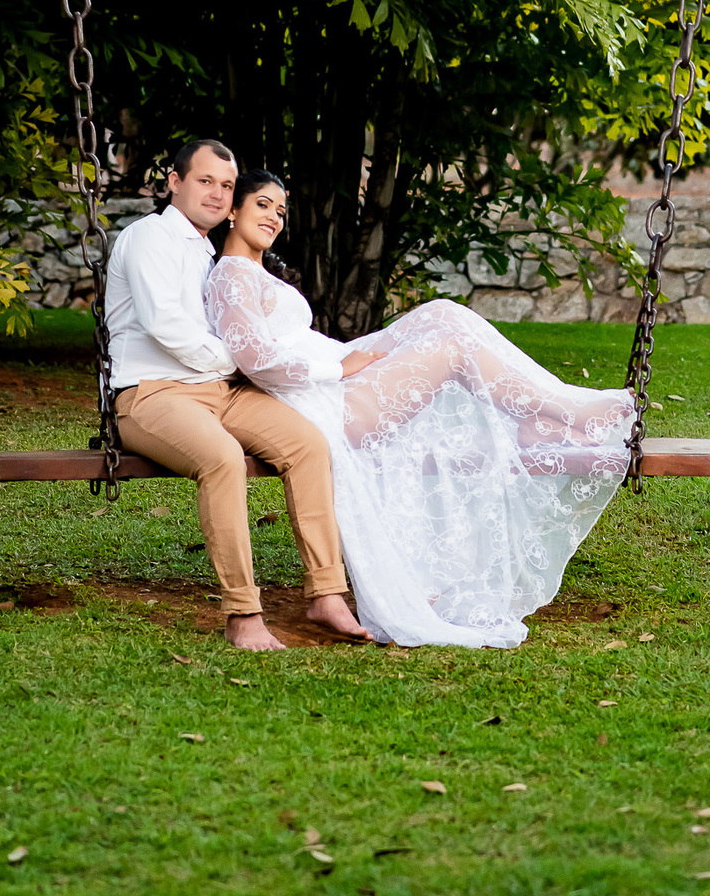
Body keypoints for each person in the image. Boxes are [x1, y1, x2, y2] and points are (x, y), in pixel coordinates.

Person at [205, 169, 637, 649]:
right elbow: (254, 358)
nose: (274, 217)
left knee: (443, 314)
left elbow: (299, 344)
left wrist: (351, 355)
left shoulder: (254, 274)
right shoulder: (231, 275)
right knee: (451, 348)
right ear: (233, 210)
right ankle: (567, 415)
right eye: (262, 205)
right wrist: (341, 368)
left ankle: (544, 415)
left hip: (327, 380)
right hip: (319, 405)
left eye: (281, 210)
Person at [106, 138, 369, 650]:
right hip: (152, 395)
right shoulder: (149, 238)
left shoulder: (210, 254)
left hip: (221, 391)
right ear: (174, 182)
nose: (217, 193)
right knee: (224, 459)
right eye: (204, 181)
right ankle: (243, 612)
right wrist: (242, 362)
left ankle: (326, 593)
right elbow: (168, 328)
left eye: (226, 185)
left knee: (308, 445)